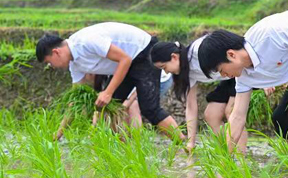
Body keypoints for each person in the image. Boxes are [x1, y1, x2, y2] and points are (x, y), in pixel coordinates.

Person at [198, 8, 288, 161]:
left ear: (231, 54)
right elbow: (237, 116)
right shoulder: (243, 77)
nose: (224, 76)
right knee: (281, 117)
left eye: (222, 70)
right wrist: (225, 159)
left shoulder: (269, 36)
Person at [35, 22, 185, 141]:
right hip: (128, 63)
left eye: (50, 62)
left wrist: (108, 92)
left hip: (143, 52)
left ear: (56, 52)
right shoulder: (75, 65)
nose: (51, 67)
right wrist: (58, 134)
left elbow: (124, 59)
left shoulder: (86, 41)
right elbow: (75, 102)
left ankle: (183, 145)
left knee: (149, 108)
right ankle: (121, 148)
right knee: (110, 107)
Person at [150, 37, 238, 152]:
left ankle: (240, 158)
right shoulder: (186, 72)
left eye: (164, 67)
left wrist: (261, 76)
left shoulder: (197, 53)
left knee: (231, 112)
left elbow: (235, 52)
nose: (166, 72)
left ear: (174, 57)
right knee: (211, 114)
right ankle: (228, 153)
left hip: (239, 71)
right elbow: (191, 106)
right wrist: (191, 142)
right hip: (228, 78)